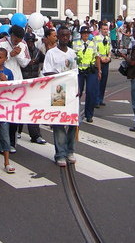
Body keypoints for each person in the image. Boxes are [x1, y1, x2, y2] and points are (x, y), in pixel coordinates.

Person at [42, 27, 78, 167]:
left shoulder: (73, 53)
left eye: (67, 35)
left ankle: (70, 150)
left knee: (71, 122)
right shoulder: (51, 53)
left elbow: (76, 72)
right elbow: (46, 72)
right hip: (58, 90)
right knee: (59, 122)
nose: (65, 37)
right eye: (62, 35)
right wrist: (60, 77)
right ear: (58, 37)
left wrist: (78, 88)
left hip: (71, 90)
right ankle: (60, 153)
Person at [19, 34, 47, 144]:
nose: (30, 43)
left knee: (33, 110)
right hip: (22, 83)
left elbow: (46, 61)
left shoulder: (38, 52)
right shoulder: (21, 52)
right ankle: (18, 131)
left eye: (32, 41)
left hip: (34, 84)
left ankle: (35, 135)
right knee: (20, 109)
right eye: (28, 41)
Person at [73, 26, 101, 123]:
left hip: (90, 71)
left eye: (87, 33)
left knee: (91, 92)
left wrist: (99, 71)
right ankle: (74, 113)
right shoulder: (75, 43)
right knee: (77, 93)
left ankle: (89, 114)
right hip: (79, 71)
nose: (85, 35)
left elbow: (97, 57)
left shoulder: (93, 44)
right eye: (84, 33)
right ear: (81, 34)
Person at [95, 22, 111, 107]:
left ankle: (101, 99)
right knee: (98, 80)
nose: (105, 31)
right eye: (104, 29)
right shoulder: (96, 38)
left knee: (104, 81)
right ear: (100, 30)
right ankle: (96, 100)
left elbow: (109, 49)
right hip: (99, 61)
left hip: (106, 61)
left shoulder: (108, 38)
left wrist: (108, 57)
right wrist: (100, 58)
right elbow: (95, 50)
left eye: (106, 29)